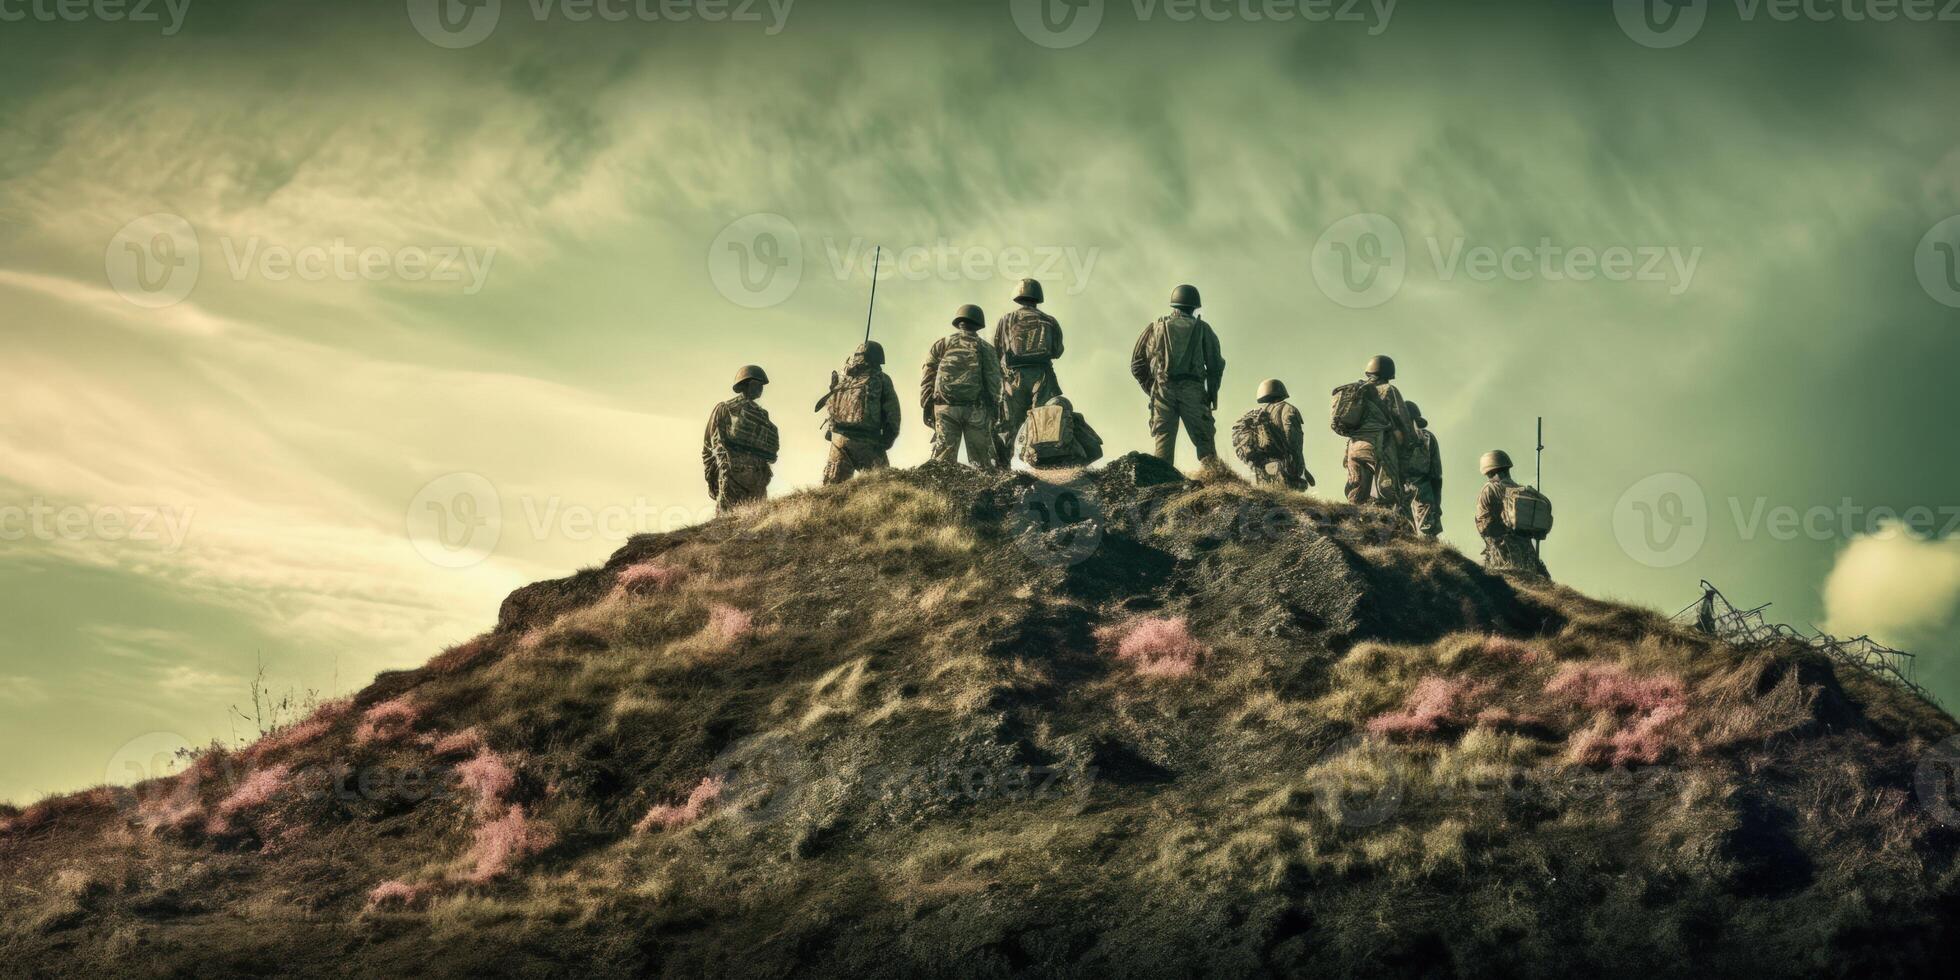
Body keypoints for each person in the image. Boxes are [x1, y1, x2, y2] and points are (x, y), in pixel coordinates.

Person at [1129, 284, 1225, 469]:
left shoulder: (1155, 328)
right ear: (1195, 306)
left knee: (1163, 449)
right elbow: (1215, 366)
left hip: (1163, 392)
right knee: (1206, 447)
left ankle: (1163, 488)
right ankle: (1216, 483)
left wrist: (1153, 389)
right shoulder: (1204, 329)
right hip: (1194, 392)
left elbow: (1137, 364)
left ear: (1173, 304)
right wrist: (1211, 393)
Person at [921, 304, 1004, 468]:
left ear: (959, 322)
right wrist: (993, 408)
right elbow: (994, 381)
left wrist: (927, 404)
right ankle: (985, 491)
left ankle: (938, 492)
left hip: (945, 407)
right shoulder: (986, 348)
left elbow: (927, 376)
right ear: (979, 324)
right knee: (981, 462)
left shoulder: (942, 344)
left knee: (942, 461)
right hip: (976, 410)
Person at [993, 278, 1065, 458]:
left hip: (1013, 378)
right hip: (1043, 377)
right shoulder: (1049, 320)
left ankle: (1003, 468)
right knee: (1044, 425)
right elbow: (1057, 351)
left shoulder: (1007, 319)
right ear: (1038, 297)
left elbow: (997, 349)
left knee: (1009, 425)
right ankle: (1044, 466)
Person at [1337, 355, 1414, 520]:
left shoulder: (1357, 390)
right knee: (1389, 491)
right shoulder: (1389, 390)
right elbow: (1403, 420)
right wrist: (1409, 444)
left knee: (1356, 491)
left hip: (1354, 447)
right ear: (1389, 372)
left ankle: (1353, 525)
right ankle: (1392, 530)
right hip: (1379, 445)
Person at [817, 341, 902, 485]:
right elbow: (893, 415)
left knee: (832, 490)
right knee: (882, 486)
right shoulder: (881, 378)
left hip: (838, 440)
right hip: (867, 441)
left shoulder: (845, 378)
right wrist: (886, 441)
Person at [702, 365, 779, 514]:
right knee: (728, 525)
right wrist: (716, 473)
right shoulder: (725, 408)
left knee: (754, 526)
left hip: (756, 479)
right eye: (758, 384)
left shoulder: (762, 414)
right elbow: (711, 445)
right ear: (746, 384)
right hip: (733, 477)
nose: (761, 388)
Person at [1474, 450, 1552, 581]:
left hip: (1503, 553)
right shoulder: (1522, 490)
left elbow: (1484, 525)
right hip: (1527, 554)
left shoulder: (1489, 489)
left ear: (1488, 471)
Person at [1233, 379, 1312, 490]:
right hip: (1284, 465)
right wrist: (1298, 467)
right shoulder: (1289, 409)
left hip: (1262, 466)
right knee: (1289, 500)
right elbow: (1294, 442)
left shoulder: (1257, 413)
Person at [1018, 395, 1103, 469]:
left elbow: (1022, 448)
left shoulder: (1035, 418)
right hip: (1066, 460)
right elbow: (1096, 452)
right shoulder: (1070, 417)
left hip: (1041, 461)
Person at [1402, 401, 1442, 538]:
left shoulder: (1393, 436)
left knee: (1401, 532)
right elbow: (1436, 474)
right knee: (1427, 533)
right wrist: (1437, 502)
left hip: (1399, 489)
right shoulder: (1428, 437)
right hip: (1424, 489)